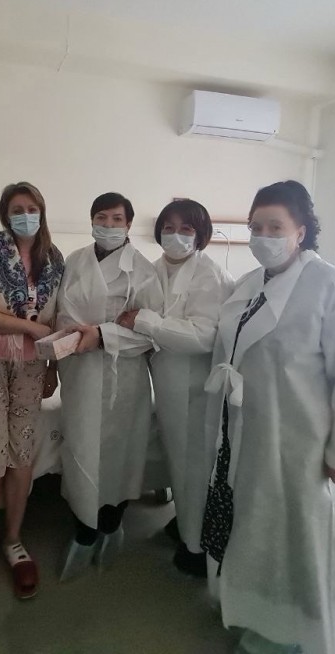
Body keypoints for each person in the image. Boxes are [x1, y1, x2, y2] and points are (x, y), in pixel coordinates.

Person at [201, 181, 335, 654]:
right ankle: (255, 613)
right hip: (247, 433)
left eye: (275, 227)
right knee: (255, 532)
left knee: (296, 540)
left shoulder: (333, 289)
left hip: (302, 443)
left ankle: (295, 631)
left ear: (301, 231)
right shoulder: (250, 284)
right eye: (256, 227)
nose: (263, 236)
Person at [116, 198, 233, 578]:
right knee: (179, 465)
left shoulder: (209, 275)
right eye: (169, 227)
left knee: (194, 468)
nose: (176, 235)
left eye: (186, 229)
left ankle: (196, 549)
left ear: (200, 235)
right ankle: (186, 524)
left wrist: (146, 322)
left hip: (195, 389)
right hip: (166, 385)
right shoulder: (153, 270)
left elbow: (202, 335)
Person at [0, 182, 65, 599]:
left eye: (31, 208)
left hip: (33, 365)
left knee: (22, 453)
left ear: (42, 211)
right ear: (6, 215)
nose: (25, 215)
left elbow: (57, 319)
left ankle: (14, 540)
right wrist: (26, 326)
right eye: (17, 209)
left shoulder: (54, 259)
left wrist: (53, 364)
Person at [54, 192, 163, 581]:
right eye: (102, 217)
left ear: (129, 224)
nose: (109, 225)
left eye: (117, 219)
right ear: (91, 221)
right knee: (80, 447)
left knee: (118, 455)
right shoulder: (75, 261)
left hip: (123, 377)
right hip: (79, 371)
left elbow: (150, 332)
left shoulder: (143, 271)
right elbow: (61, 313)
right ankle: (83, 530)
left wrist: (102, 335)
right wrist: (77, 336)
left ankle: (111, 525)